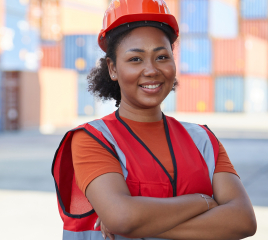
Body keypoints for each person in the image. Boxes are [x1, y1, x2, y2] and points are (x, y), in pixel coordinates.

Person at [51, 0, 257, 239]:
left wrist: (141, 221)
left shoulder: (204, 140)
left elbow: (243, 220)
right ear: (113, 68)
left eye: (161, 57)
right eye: (135, 59)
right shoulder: (92, 139)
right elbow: (122, 217)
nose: (151, 70)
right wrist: (205, 202)